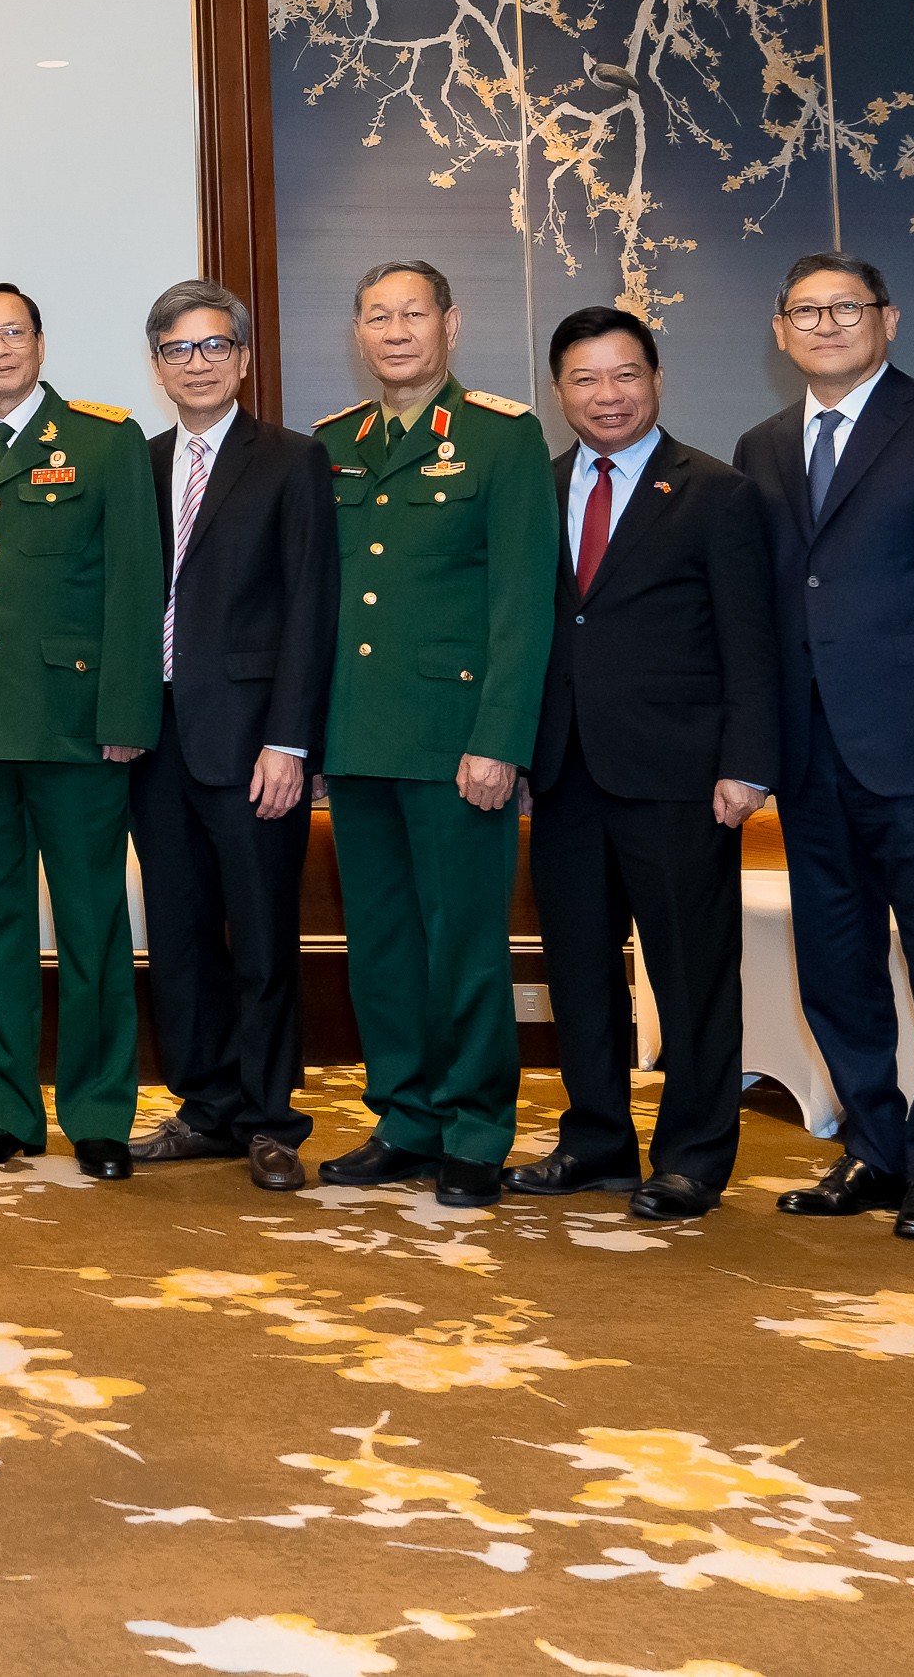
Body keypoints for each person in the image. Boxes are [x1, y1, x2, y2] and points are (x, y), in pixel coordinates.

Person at [731, 252, 914, 1245]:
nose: (825, 324)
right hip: (810, 751)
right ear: (779, 330)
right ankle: (873, 1145)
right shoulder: (764, 444)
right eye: (804, 310)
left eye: (845, 307)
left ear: (887, 319)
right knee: (835, 965)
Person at [514, 307, 776, 1220]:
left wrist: (747, 763)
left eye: (625, 374)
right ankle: (595, 1139)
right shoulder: (538, 489)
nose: (607, 395)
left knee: (690, 972)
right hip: (564, 770)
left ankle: (693, 1156)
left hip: (680, 774)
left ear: (657, 379)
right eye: (585, 379)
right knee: (579, 969)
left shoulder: (717, 492)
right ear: (559, 390)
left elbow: (752, 639)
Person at [311, 260, 552, 1211]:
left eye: (413, 313)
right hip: (358, 738)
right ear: (358, 333)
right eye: (378, 316)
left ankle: (475, 1127)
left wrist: (501, 739)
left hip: (458, 743)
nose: (396, 331)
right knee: (380, 944)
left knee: (464, 945)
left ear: (451, 324)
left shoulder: (500, 436)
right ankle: (405, 1119)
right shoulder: (334, 442)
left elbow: (522, 604)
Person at [0, 282, 165, 1178]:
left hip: (78, 728)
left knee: (93, 924)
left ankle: (98, 1114)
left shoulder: (104, 441)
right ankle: (3, 1112)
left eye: (12, 332)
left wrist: (127, 715)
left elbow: (136, 586)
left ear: (40, 341)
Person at [126, 280, 333, 1196]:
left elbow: (311, 606)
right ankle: (206, 1106)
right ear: (157, 365)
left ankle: (270, 1118)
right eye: (178, 349)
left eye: (214, 346)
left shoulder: (291, 459)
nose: (197, 363)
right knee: (177, 937)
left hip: (253, 745)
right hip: (154, 742)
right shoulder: (137, 462)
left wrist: (291, 742)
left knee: (260, 935)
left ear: (243, 359)